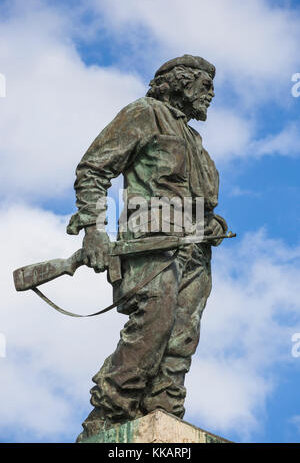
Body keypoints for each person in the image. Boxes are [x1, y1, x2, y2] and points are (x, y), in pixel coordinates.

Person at [67, 55, 228, 441]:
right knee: (151, 328)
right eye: (204, 85)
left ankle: (165, 412)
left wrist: (211, 223)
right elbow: (93, 169)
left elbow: (197, 200)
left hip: (194, 251)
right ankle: (108, 414)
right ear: (179, 82)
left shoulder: (195, 141)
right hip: (151, 244)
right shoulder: (144, 113)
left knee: (182, 339)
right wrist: (93, 230)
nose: (211, 94)